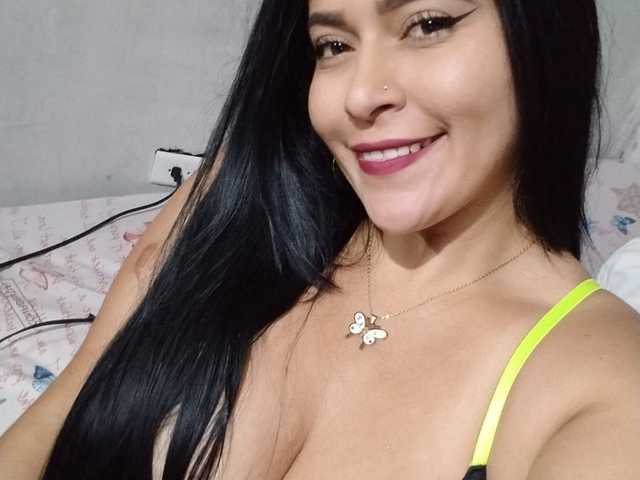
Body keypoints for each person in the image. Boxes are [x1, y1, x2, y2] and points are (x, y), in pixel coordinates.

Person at [1, 0, 639, 478]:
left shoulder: (600, 381)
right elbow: (60, 413)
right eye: (333, 44)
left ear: (544, 33)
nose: (358, 96)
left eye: (427, 24)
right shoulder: (239, 200)